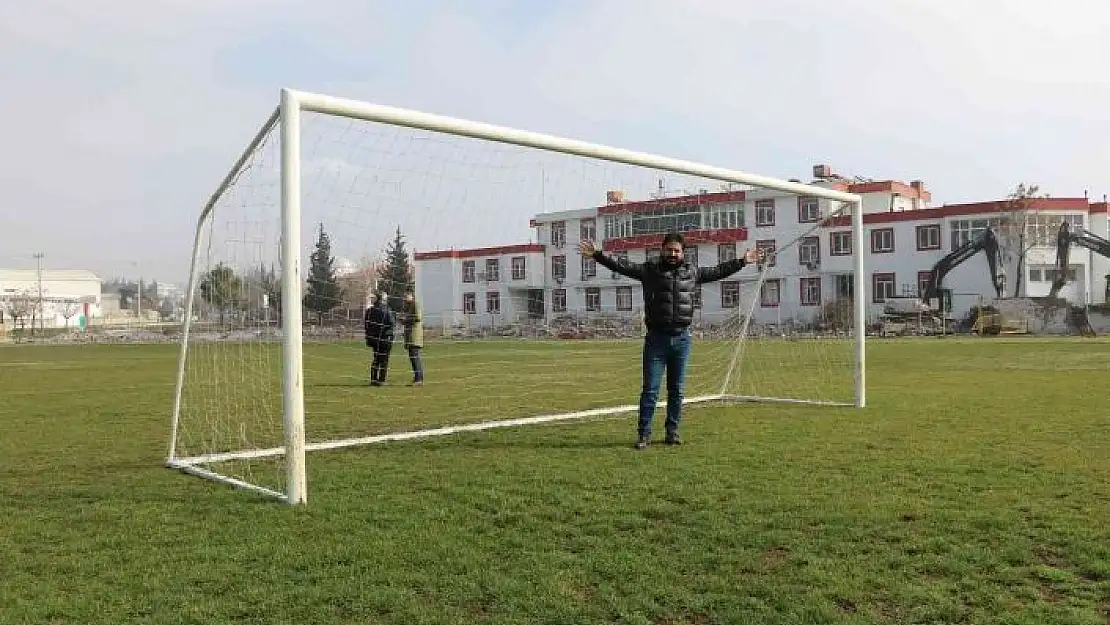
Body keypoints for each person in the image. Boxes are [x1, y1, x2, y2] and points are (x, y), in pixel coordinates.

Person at [579, 233, 763, 449]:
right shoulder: (650, 271)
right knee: (650, 390)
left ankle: (672, 431)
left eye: (676, 250)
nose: (672, 254)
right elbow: (622, 266)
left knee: (677, 390)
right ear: (662, 250)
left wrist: (742, 261)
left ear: (683, 252)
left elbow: (718, 271)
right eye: (669, 250)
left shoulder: (692, 272)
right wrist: (598, 255)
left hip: (682, 340)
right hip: (656, 340)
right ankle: (644, 434)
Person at [363, 292, 395, 386]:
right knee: (384, 360)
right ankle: (381, 380)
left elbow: (366, 325)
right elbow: (392, 323)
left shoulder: (369, 311)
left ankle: (373, 379)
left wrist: (369, 335)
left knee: (376, 358)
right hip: (385, 338)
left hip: (374, 339)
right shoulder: (387, 310)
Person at [399, 290, 425, 386]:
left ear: (412, 296)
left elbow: (418, 317)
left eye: (406, 296)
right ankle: (418, 378)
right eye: (404, 296)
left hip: (414, 336)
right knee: (413, 358)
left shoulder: (415, 304)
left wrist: (406, 319)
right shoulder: (407, 306)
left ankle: (418, 379)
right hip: (409, 336)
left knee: (415, 358)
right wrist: (402, 319)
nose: (404, 298)